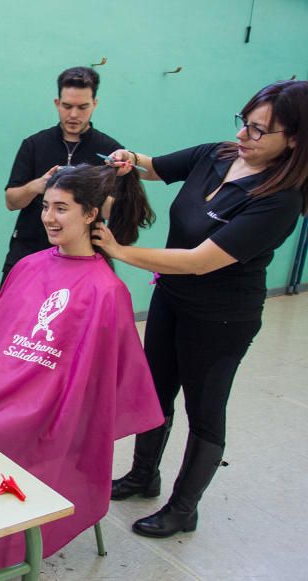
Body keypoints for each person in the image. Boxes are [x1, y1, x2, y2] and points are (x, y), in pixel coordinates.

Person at [0, 165, 162, 580]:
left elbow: (95, 387)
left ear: (91, 214)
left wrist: (36, 408)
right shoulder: (29, 266)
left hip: (45, 412)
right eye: (46, 206)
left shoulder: (106, 292)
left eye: (62, 208)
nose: (49, 217)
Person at [93, 79, 308, 539]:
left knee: (205, 410)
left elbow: (200, 261)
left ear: (293, 139)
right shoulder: (218, 154)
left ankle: (183, 507)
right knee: (156, 391)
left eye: (259, 131)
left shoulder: (279, 201)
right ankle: (142, 476)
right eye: (245, 123)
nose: (245, 137)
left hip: (222, 320)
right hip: (172, 299)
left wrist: (119, 249)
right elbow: (152, 167)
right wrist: (129, 160)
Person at [1, 66, 123, 286]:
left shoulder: (110, 151)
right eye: (67, 106)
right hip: (29, 250)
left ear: (94, 104)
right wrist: (37, 186)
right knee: (13, 316)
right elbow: (11, 202)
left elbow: (115, 211)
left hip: (85, 257)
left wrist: (86, 191)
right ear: (57, 103)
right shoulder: (34, 145)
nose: (74, 115)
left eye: (82, 107)